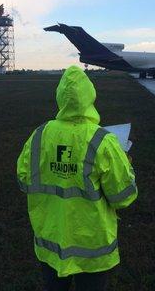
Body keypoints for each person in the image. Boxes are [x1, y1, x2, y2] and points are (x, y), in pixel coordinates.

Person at [17, 65, 138, 291]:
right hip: (92, 249)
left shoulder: (39, 135)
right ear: (90, 96)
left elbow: (24, 180)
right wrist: (127, 167)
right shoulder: (104, 141)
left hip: (51, 243)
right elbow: (123, 197)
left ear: (60, 97)